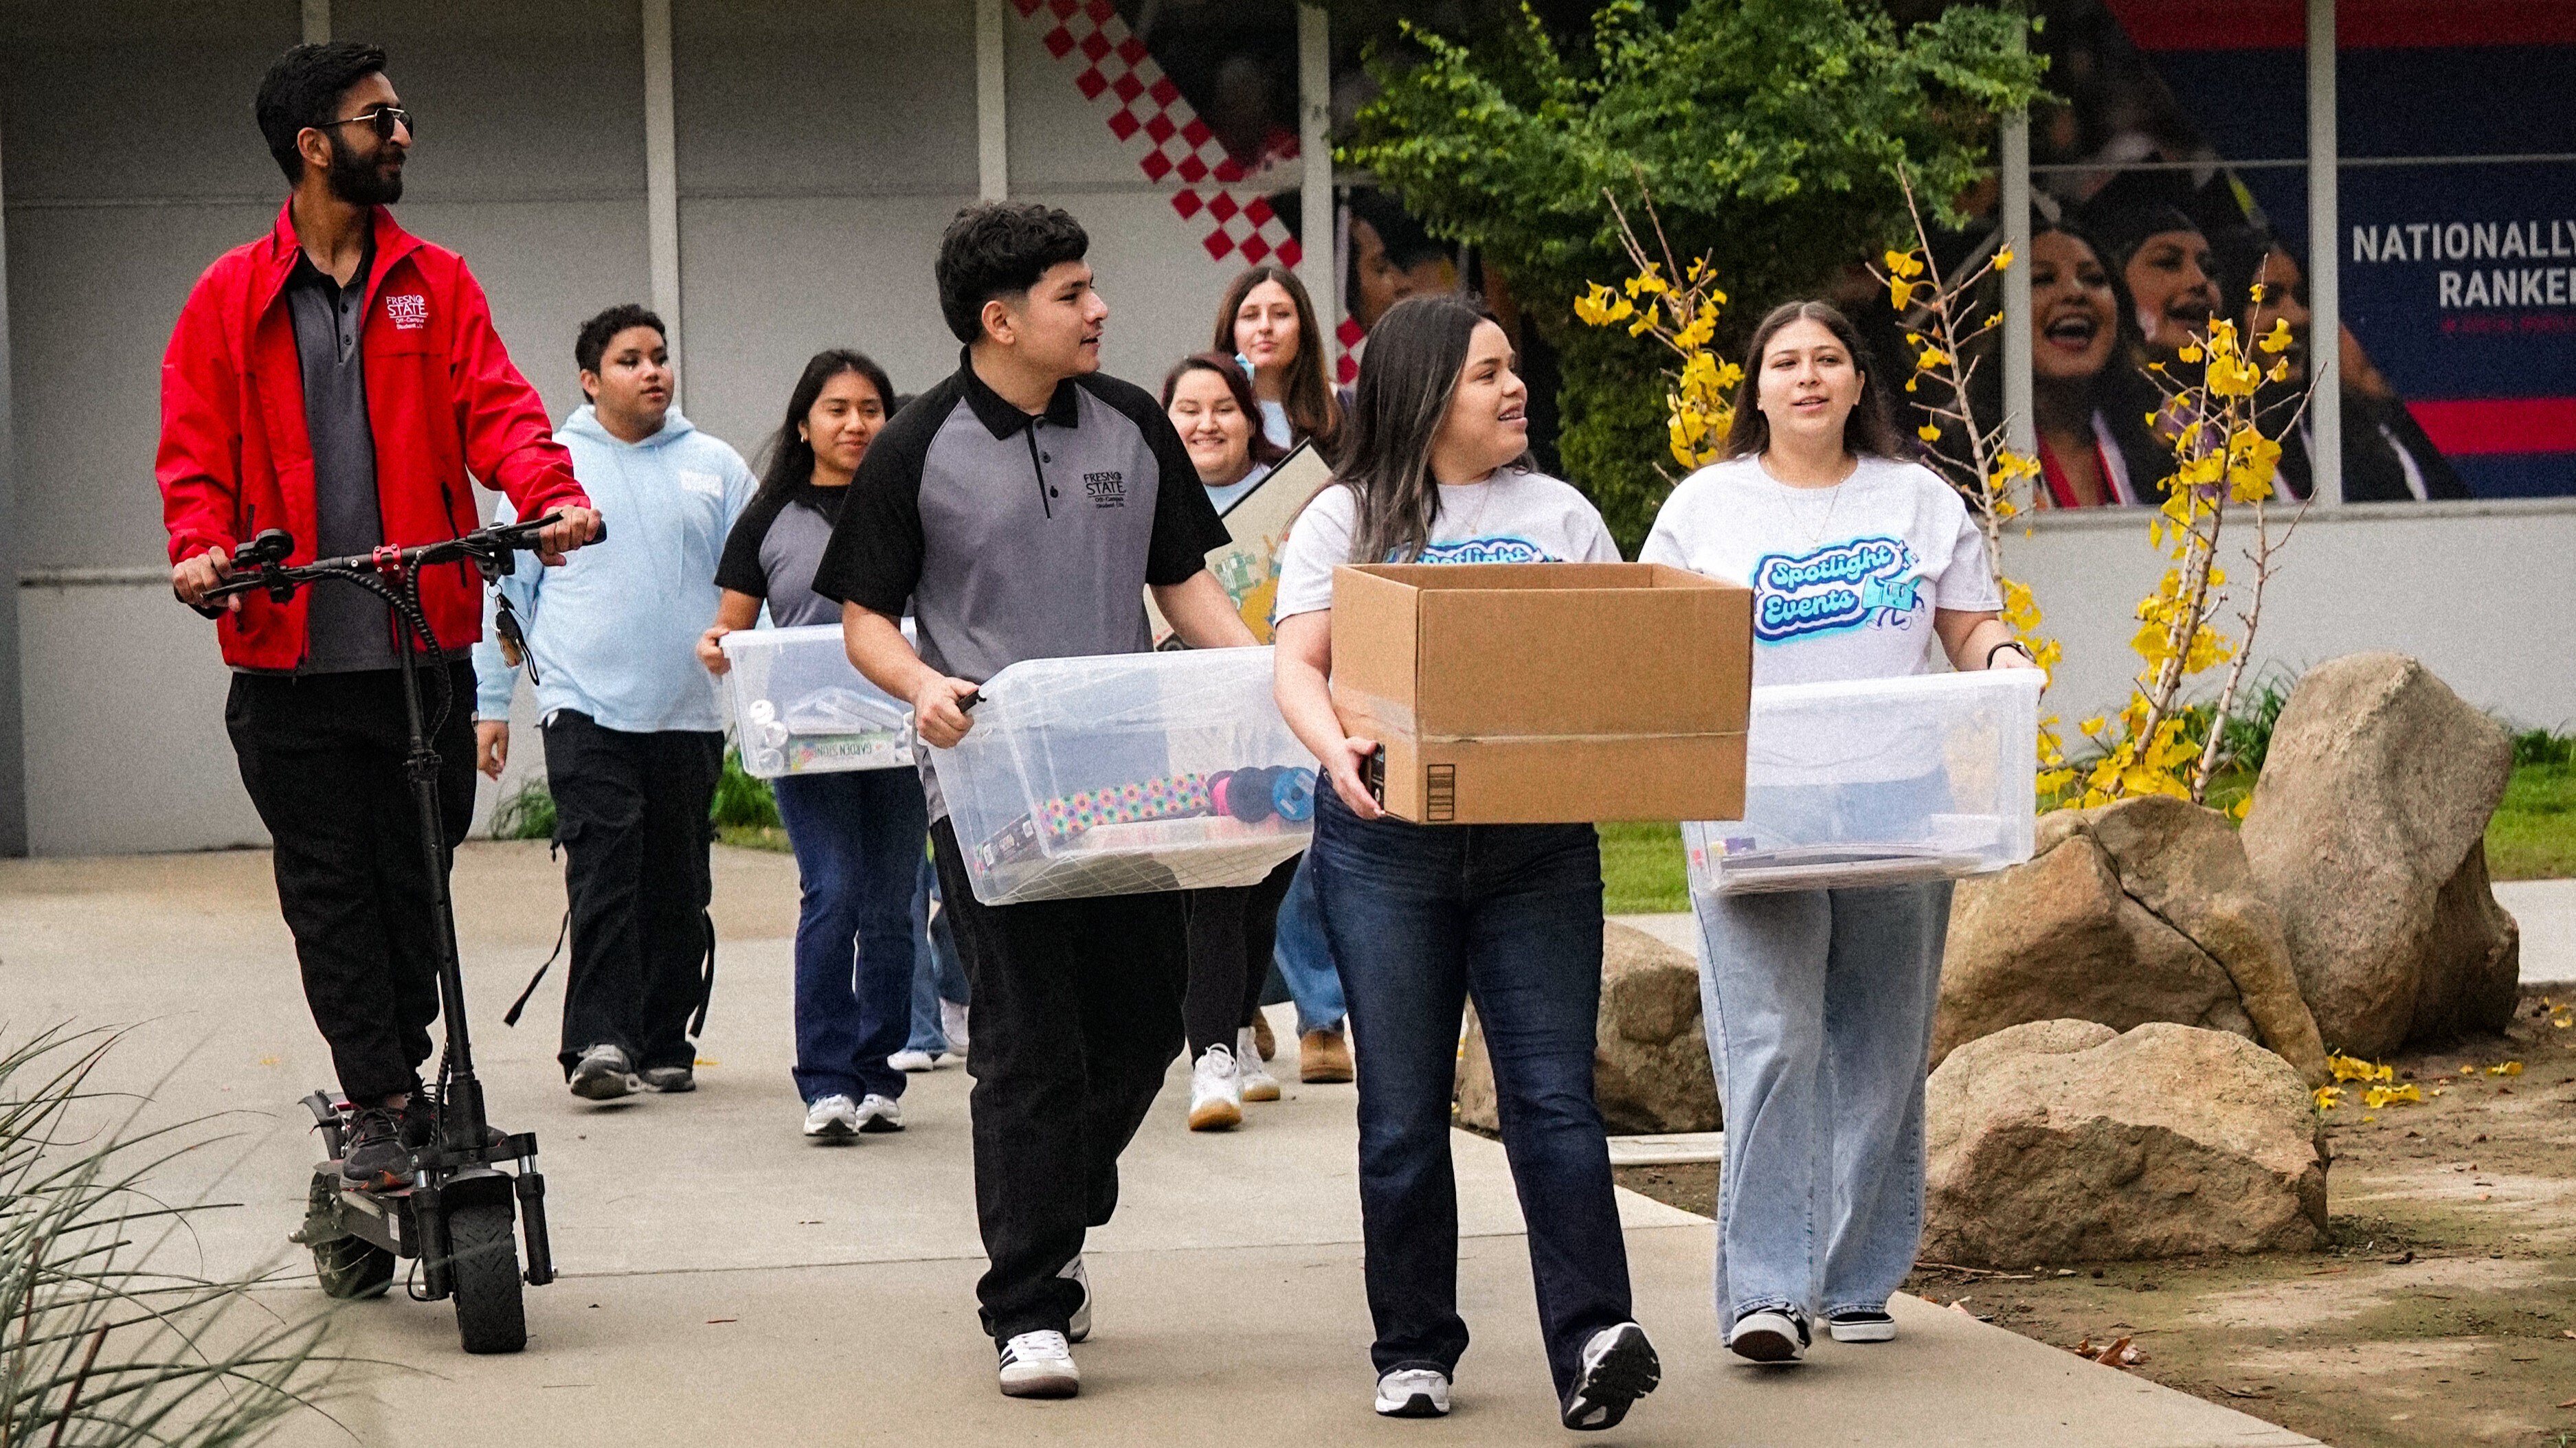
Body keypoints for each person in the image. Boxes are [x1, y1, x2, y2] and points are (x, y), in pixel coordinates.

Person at [811, 202, 1255, 1401]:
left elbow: (1181, 585)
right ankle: (1027, 1302)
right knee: (1021, 1036)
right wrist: (921, 685)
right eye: (1072, 293)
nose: (1098, 308)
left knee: (1142, 1015)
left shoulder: (1131, 420)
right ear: (1000, 320)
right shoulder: (912, 447)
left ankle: (1057, 1193)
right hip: (992, 784)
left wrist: (1273, 680)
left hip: (1126, 775)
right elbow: (864, 618)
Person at [161, 41, 601, 1188]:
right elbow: (194, 454)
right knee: (330, 892)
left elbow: (497, 405)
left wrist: (549, 494)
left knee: (415, 882)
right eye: (378, 118)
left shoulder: (436, 283)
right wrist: (199, 549)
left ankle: (395, 1076)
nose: (402, 133)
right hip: (288, 659)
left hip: (420, 655)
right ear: (314, 147)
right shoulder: (226, 298)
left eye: (402, 115)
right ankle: (377, 1095)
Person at [1270, 295, 1661, 1430]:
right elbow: (1296, 662)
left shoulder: (1561, 515)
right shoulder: (1343, 516)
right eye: (1488, 372)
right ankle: (1411, 1343)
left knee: (1552, 1100)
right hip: (1385, 844)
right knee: (1398, 1111)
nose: (1512, 388)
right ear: (1427, 391)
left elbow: (1615, 661)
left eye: (1511, 370)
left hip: (1538, 847)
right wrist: (1329, 741)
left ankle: (1593, 1334)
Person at [1638, 300, 2040, 1365]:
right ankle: (1767, 1291)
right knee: (1773, 1040)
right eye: (1784, 362)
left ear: (1859, 383)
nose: (1807, 377)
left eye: (1827, 359)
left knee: (1879, 1044)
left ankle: (1856, 1277)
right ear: (1756, 389)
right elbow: (1662, 652)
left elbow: (1967, 622)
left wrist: (2001, 664)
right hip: (1750, 804)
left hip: (1895, 801)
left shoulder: (1918, 498)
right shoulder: (1703, 508)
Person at [472, 304, 753, 1102]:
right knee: (605, 869)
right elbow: (504, 598)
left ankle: (666, 1039)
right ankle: (599, 1039)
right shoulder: (547, 469)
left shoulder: (718, 467)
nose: (653, 371)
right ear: (590, 379)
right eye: (631, 359)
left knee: (678, 882)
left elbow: (755, 584)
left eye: (660, 356)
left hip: (688, 712)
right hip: (583, 705)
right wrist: (491, 706)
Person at [698, 349, 932, 1139]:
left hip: (903, 738)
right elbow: (729, 628)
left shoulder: (917, 504)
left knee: (895, 904)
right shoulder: (768, 518)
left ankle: (878, 1072)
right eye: (836, 408)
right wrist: (718, 647)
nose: (855, 423)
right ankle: (825, 1079)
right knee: (832, 892)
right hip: (807, 745)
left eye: (871, 407)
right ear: (804, 423)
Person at [1160, 352, 1292, 1129]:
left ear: (1251, 418)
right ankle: (1208, 1054)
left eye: (1223, 408)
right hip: (1181, 725)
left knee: (1267, 877)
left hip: (1279, 718)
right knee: (1214, 877)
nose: (1205, 423)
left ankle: (1239, 1029)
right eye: (1187, 409)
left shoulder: (1300, 504)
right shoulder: (1142, 498)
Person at [2242, 241, 2469, 504]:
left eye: (2305, 299)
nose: (2298, 318)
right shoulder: (2217, 441)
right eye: (2267, 300)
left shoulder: (2385, 443)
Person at [2018, 223, 2163, 507]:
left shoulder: (2157, 456)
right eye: (2042, 279)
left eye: (2094, 279)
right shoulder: (1959, 456)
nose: (2075, 292)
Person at [1213, 264, 1343, 459]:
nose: (1265, 327)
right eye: (1250, 316)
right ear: (1231, 331)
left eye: (1281, 314)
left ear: (1304, 328)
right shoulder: (1206, 415)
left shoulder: (1343, 408)